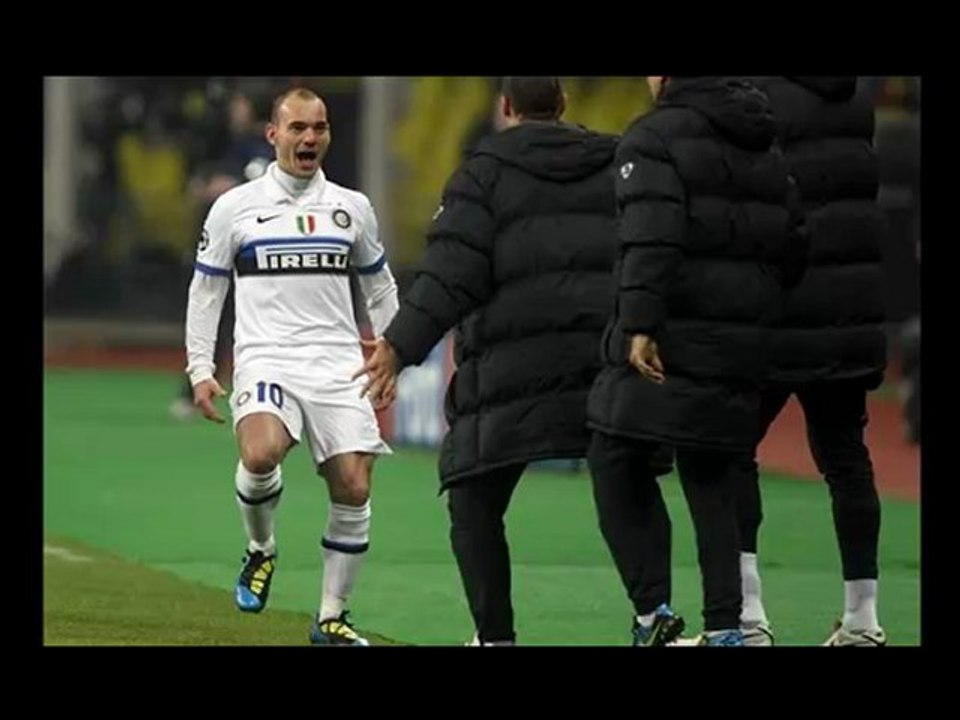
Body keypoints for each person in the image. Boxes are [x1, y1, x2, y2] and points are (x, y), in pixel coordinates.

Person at [354, 77, 622, 645]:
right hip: (606, 367)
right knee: (629, 489)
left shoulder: (481, 174)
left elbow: (450, 275)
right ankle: (658, 616)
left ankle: (495, 637)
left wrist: (399, 346)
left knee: (474, 499)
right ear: (564, 105)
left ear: (504, 108)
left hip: (512, 371)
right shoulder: (618, 166)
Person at [586, 76, 804, 646]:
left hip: (672, 337)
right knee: (711, 476)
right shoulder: (763, 139)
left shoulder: (653, 137)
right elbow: (795, 240)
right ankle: (726, 627)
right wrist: (757, 304)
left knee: (613, 453)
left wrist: (638, 324)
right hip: (743, 340)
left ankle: (652, 612)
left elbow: (651, 235)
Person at [184, 86, 399, 646]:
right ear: (273, 134)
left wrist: (396, 350)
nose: (310, 138)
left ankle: (332, 617)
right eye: (298, 128)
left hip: (336, 362)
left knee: (353, 486)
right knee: (260, 453)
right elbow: (207, 292)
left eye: (319, 128)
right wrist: (200, 368)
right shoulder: (235, 207)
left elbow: (379, 287)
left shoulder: (353, 208)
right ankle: (261, 549)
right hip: (266, 358)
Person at [732, 77, 888, 646]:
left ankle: (748, 616)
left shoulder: (756, 98)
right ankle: (863, 619)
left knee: (732, 452)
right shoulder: (856, 96)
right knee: (848, 459)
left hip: (779, 306)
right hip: (849, 309)